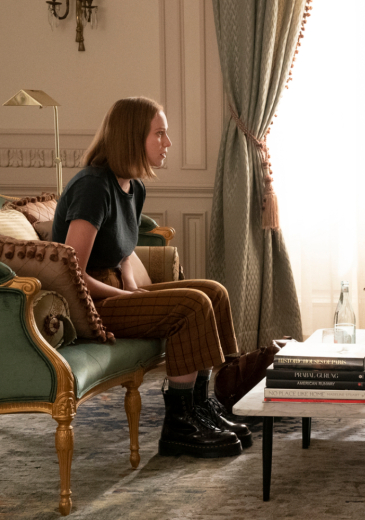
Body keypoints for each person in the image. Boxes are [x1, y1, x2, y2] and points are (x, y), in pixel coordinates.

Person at [51, 97, 252, 459]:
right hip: (86, 305)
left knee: (214, 291)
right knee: (192, 305)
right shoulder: (93, 187)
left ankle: (200, 406)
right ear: (132, 137)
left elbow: (124, 246)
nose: (168, 143)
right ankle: (179, 424)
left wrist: (131, 284)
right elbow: (72, 272)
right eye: (160, 134)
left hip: (112, 292)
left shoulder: (133, 186)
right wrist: (123, 296)